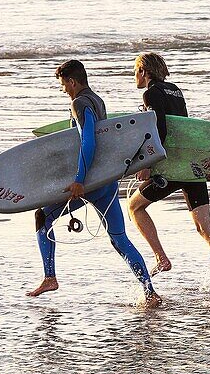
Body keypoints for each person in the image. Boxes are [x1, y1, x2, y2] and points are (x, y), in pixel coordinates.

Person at [27, 59, 162, 308]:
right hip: (107, 180)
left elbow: (89, 142)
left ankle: (49, 277)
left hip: (89, 182)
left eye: (63, 85)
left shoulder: (79, 103)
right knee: (120, 240)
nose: (63, 90)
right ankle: (149, 292)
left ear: (72, 81)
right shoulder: (97, 100)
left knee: (42, 218)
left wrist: (79, 180)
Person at [127, 52, 210, 294]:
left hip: (172, 167)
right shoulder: (175, 90)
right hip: (193, 164)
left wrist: (148, 163)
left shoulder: (151, 93)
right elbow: (187, 127)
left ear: (145, 71)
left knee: (134, 206)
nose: (134, 76)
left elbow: (161, 128)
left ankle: (161, 258)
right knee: (205, 226)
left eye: (135, 70)